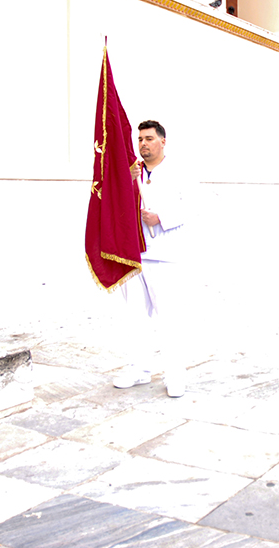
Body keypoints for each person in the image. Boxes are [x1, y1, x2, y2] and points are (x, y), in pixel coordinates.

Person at [113, 120, 189, 398]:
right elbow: (116, 203)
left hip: (164, 255)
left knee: (168, 318)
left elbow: (193, 206)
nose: (143, 144)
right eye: (140, 139)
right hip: (135, 254)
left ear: (163, 141)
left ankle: (175, 376)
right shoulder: (133, 171)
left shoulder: (179, 171)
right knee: (135, 316)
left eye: (149, 138)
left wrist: (161, 218)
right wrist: (126, 179)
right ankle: (139, 370)